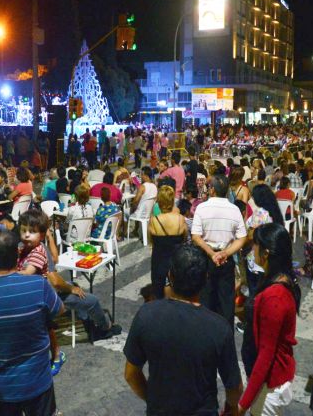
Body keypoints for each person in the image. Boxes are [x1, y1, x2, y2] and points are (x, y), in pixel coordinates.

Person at [124, 244, 243, 415]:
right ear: (205, 279)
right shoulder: (219, 328)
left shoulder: (146, 315)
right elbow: (234, 387)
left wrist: (152, 400)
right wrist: (231, 408)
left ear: (170, 276)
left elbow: (131, 374)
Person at [0, 229, 62, 415]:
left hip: (2, 385)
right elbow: (59, 310)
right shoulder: (38, 284)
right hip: (38, 380)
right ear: (17, 254)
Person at [239, 224, 300, 416]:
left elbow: (266, 354)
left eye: (254, 244)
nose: (252, 249)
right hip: (264, 378)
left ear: (265, 253)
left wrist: (242, 404)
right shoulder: (276, 279)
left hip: (268, 382)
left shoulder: (275, 297)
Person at [192, 174, 247, 326]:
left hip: (206, 258)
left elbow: (196, 236)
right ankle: (224, 335)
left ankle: (205, 332)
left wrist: (212, 254)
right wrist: (225, 253)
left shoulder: (201, 208)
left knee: (206, 298)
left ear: (212, 190)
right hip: (225, 259)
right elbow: (242, 238)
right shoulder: (235, 209)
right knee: (226, 301)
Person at [148, 185, 187, 299]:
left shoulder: (154, 220)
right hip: (176, 260)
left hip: (159, 260)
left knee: (158, 289)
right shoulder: (180, 219)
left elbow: (151, 240)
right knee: (177, 291)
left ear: (159, 201)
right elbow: (184, 238)